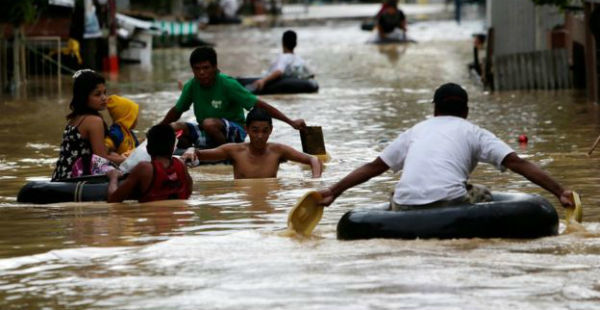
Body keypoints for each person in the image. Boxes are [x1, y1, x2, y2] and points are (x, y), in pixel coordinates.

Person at [317, 82, 574, 210]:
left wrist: (334, 191)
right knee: (483, 194)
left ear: (435, 109)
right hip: (449, 205)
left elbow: (374, 167)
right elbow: (518, 163)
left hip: (405, 206)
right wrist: (559, 191)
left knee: (395, 194)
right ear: (466, 110)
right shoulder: (475, 132)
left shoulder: (415, 131)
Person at [160, 46, 306, 150]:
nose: (202, 73)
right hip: (207, 130)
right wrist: (158, 130)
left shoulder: (228, 84)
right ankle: (202, 150)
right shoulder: (191, 86)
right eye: (197, 69)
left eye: (206, 68)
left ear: (215, 67)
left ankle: (227, 153)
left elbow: (259, 105)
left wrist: (290, 122)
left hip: (234, 131)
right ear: (192, 70)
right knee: (174, 128)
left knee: (209, 123)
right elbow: (176, 111)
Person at [181, 107, 322, 179]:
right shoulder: (234, 150)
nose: (260, 136)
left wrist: (316, 181)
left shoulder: (278, 150)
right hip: (244, 203)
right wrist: (191, 151)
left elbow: (313, 159)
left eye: (264, 131)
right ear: (247, 129)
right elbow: (199, 154)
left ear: (271, 131)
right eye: (255, 130)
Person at [51, 69, 125, 181]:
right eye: (97, 94)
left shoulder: (75, 118)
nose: (104, 98)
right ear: (84, 97)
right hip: (75, 176)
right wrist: (128, 161)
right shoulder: (94, 121)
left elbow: (101, 152)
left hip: (61, 174)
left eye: (105, 92)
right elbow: (101, 158)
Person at [107, 124, 193, 203]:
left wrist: (113, 177)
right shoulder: (181, 165)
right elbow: (188, 192)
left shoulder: (144, 168)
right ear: (173, 148)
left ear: (147, 149)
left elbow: (113, 200)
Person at [250, 30, 314, 92]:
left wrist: (263, 81)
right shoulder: (299, 59)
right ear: (295, 44)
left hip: (278, 82)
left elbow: (279, 72)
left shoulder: (283, 57)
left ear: (283, 43)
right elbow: (311, 75)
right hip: (293, 82)